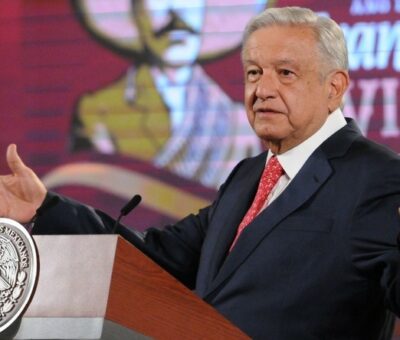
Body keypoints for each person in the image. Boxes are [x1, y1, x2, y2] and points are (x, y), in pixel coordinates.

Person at [1, 6, 400, 339]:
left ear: (335, 87)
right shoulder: (247, 177)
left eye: (286, 73)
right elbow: (154, 258)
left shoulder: (379, 179)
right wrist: (46, 207)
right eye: (253, 73)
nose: (262, 89)